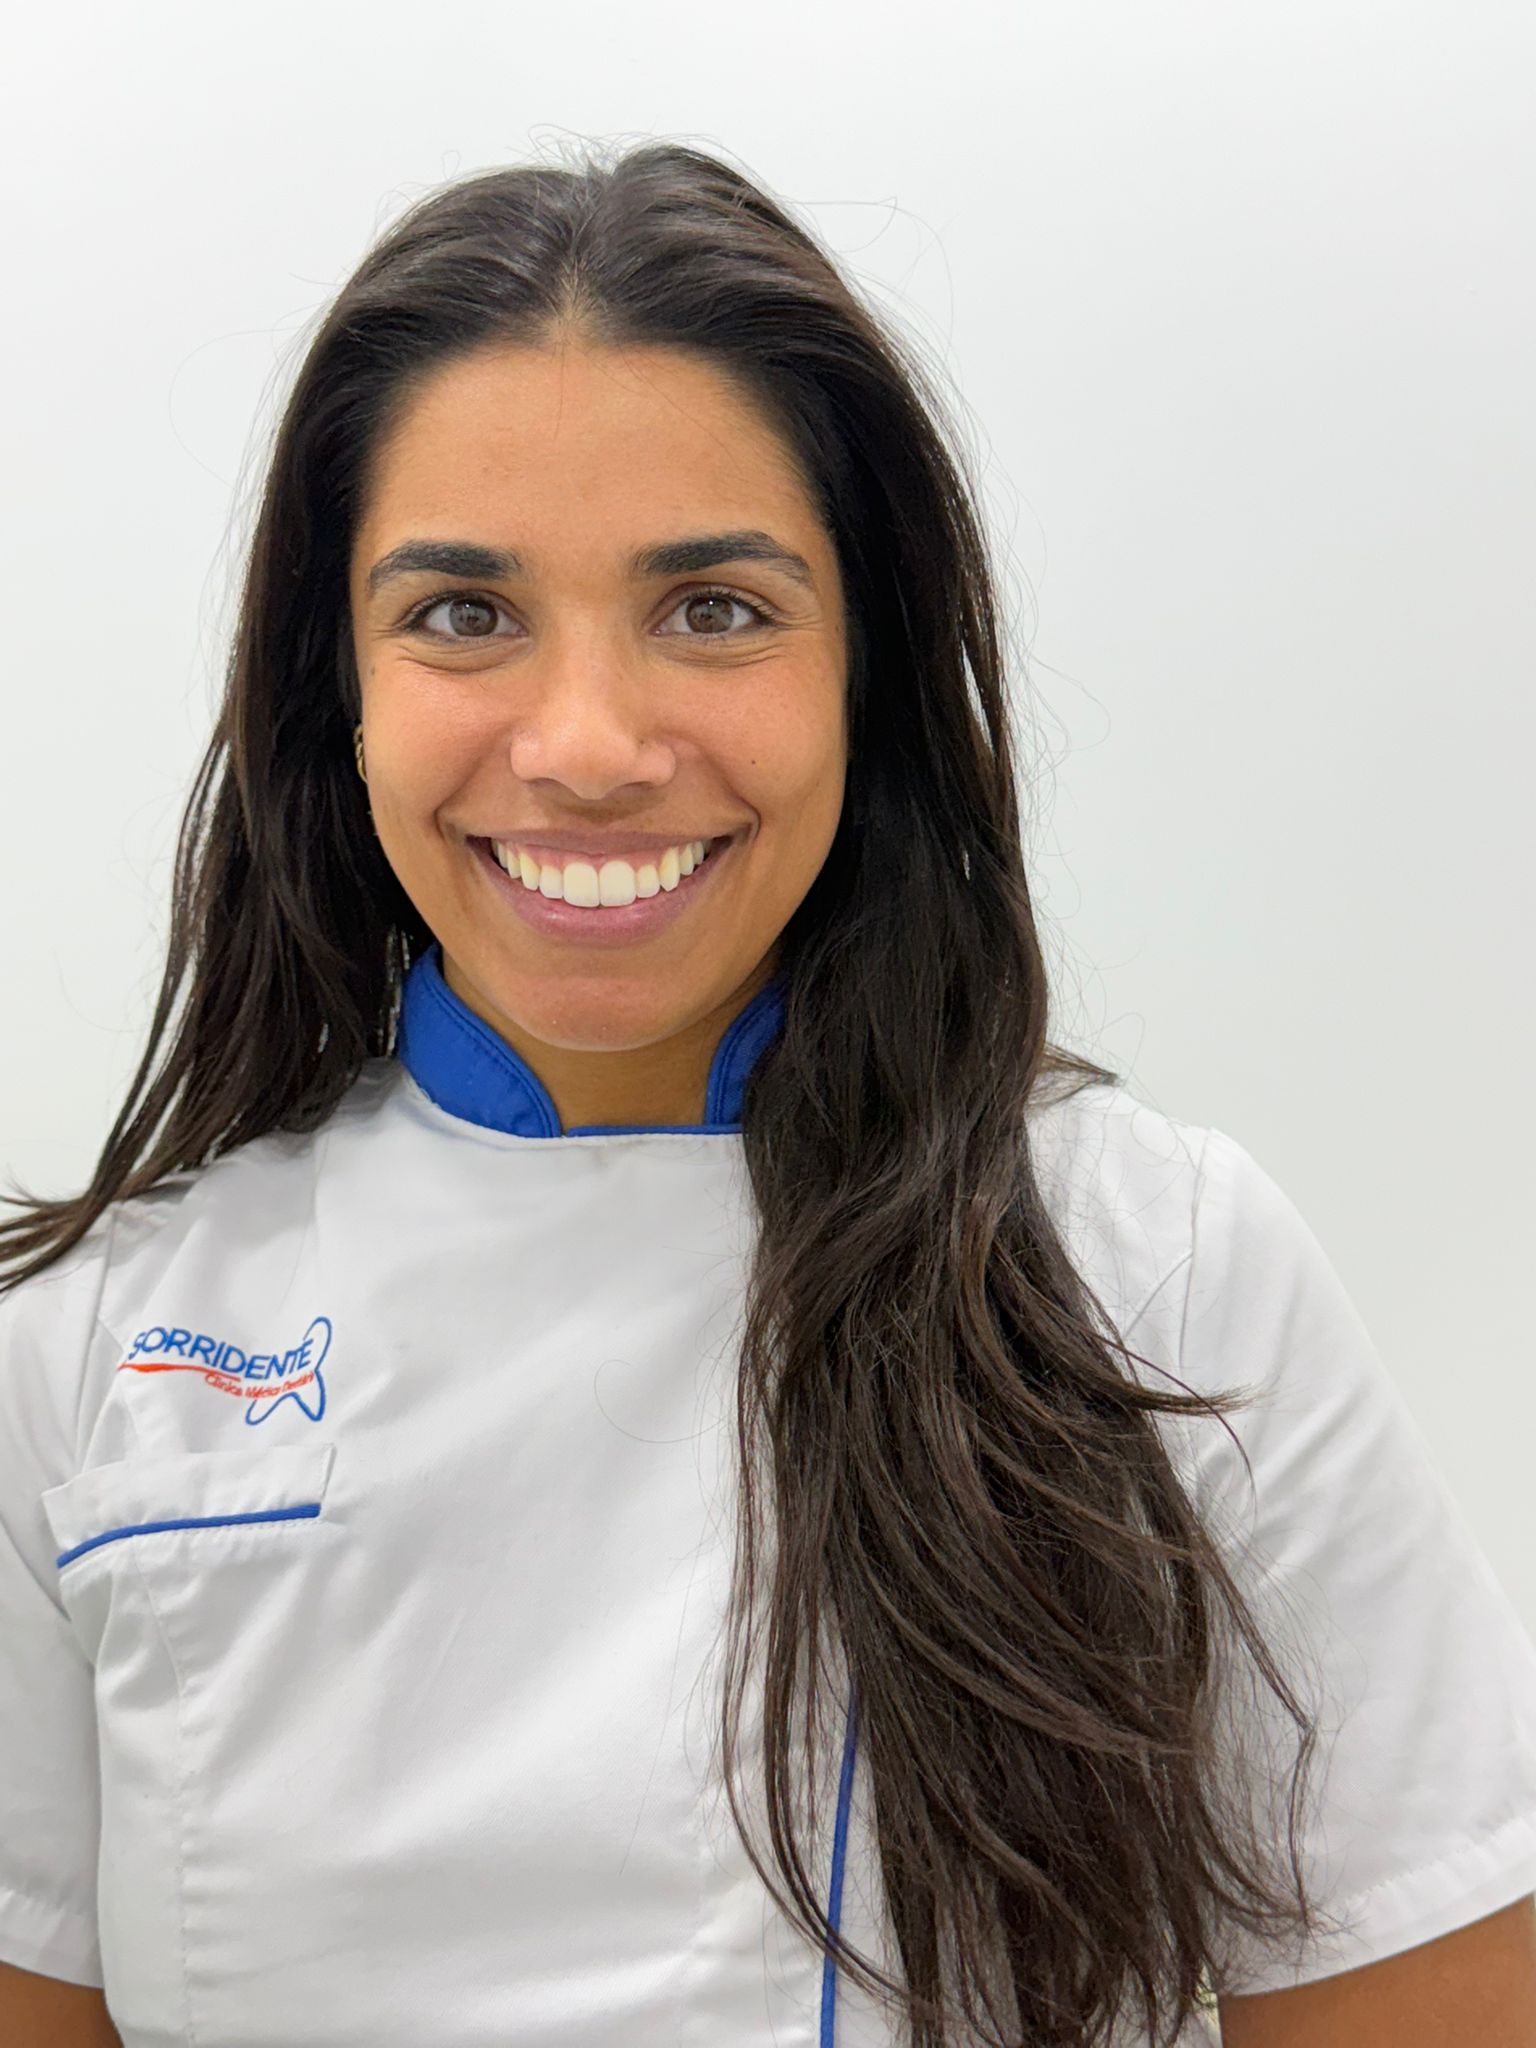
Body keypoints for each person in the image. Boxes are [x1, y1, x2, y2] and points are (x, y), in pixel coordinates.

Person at [1, 141, 1534, 2048]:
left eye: (714, 609)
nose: (587, 748)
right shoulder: (86, 1354)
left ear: (863, 674)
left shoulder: (1157, 1270)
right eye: (464, 614)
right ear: (342, 693)